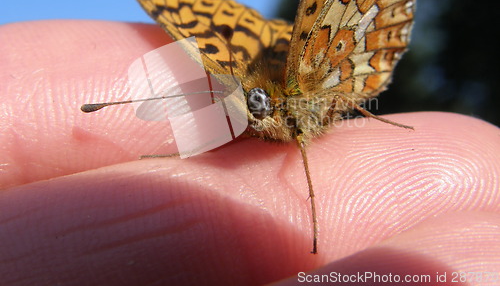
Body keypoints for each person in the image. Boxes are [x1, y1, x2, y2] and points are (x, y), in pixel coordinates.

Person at [1, 20, 499, 285]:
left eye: (253, 106)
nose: (250, 115)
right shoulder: (255, 106)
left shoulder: (299, 95)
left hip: (333, 50)